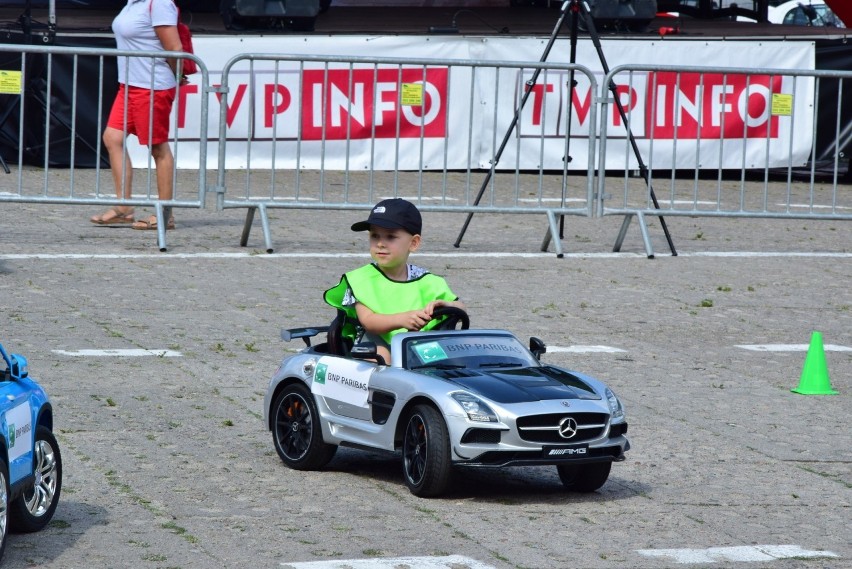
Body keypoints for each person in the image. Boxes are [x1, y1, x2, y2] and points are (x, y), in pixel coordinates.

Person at [324, 198, 465, 363]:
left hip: (416, 346)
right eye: (375, 235)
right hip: (370, 345)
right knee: (382, 355)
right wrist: (402, 319)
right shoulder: (359, 279)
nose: (380, 244)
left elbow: (461, 311)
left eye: (390, 237)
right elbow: (369, 321)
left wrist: (448, 305)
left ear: (413, 243)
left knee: (445, 360)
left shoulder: (428, 281)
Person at [90, 0, 185, 230]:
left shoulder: (159, 3)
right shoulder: (132, 3)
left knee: (158, 148)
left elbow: (175, 49)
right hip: (129, 85)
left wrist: (177, 75)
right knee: (112, 138)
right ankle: (124, 208)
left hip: (152, 87)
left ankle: (165, 215)